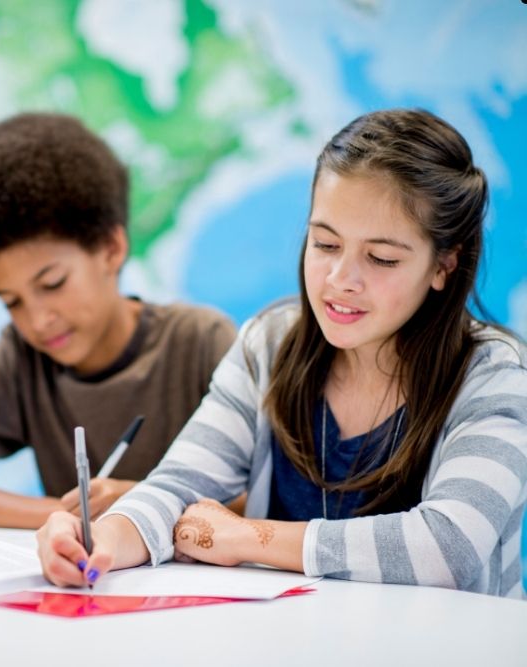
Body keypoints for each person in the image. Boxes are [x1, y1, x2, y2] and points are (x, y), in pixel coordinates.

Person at [37, 108, 527, 597]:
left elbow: (447, 545)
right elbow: (177, 488)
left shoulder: (496, 376)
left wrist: (250, 538)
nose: (340, 281)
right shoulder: (269, 344)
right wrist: (100, 537)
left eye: (381, 258)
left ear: (444, 264)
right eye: (325, 243)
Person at [0, 112, 236, 528]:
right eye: (11, 301)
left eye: (53, 283)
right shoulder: (23, 358)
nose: (39, 321)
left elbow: (267, 496)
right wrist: (68, 515)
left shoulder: (201, 340)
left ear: (111, 248)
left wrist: (141, 502)